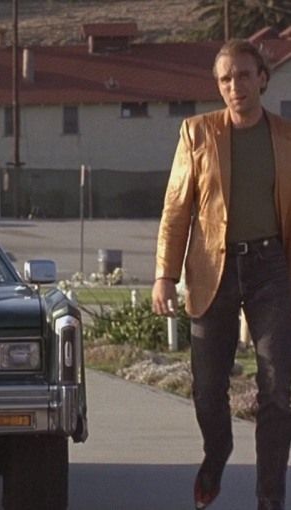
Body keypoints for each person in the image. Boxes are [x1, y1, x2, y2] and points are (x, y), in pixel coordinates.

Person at [152, 40, 291, 510]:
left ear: (262, 79)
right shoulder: (197, 133)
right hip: (214, 268)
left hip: (272, 268)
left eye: (244, 75)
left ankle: (269, 497)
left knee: (278, 386)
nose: (235, 86)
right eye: (226, 79)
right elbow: (176, 209)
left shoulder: (285, 137)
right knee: (208, 388)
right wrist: (165, 274)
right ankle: (218, 451)